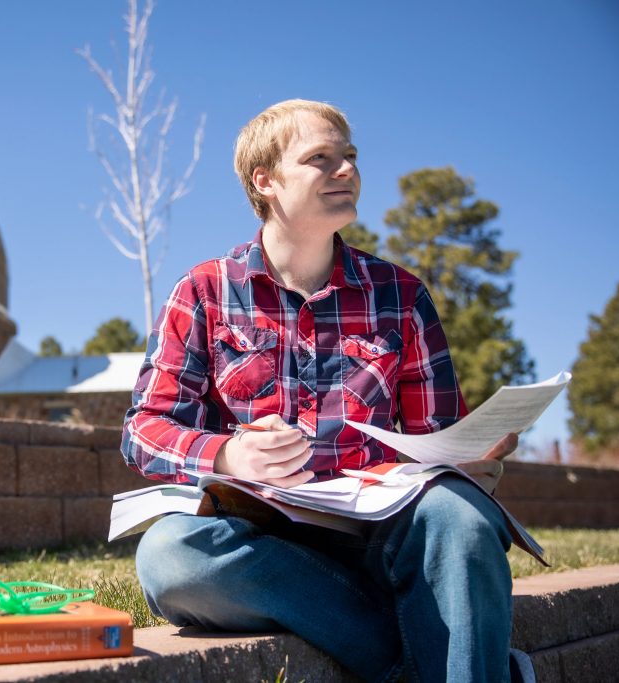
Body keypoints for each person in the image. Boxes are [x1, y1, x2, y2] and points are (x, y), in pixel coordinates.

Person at [121, 99, 533, 682]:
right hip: (261, 541)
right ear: (265, 181)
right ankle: (427, 665)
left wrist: (466, 459)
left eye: (351, 157)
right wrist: (228, 453)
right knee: (170, 554)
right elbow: (144, 429)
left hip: (381, 532)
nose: (347, 171)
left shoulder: (401, 295)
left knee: (462, 518)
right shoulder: (205, 291)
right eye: (321, 158)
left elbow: (431, 440)